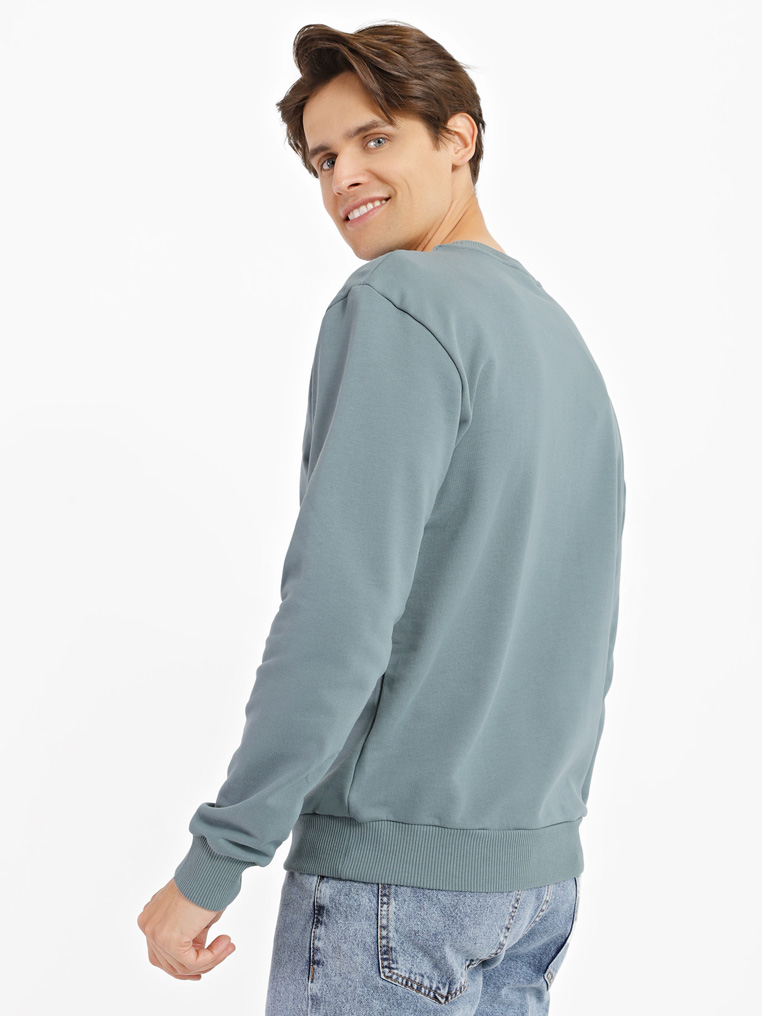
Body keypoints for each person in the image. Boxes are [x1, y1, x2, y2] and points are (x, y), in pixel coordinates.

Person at [137, 21, 626, 1014]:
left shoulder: (400, 303)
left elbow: (339, 613)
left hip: (395, 889)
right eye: (323, 158)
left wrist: (219, 856)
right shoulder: (561, 341)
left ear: (459, 138)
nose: (343, 178)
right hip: (535, 888)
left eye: (374, 138)